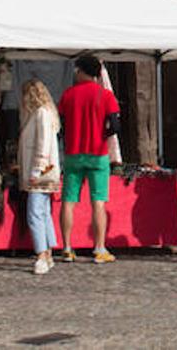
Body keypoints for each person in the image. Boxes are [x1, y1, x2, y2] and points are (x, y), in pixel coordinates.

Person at [57, 55, 121, 264]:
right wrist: (102, 135)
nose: (75, 73)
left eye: (77, 70)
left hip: (73, 154)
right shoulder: (106, 95)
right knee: (98, 202)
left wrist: (69, 135)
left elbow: (60, 126)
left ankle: (66, 248)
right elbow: (116, 126)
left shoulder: (68, 95)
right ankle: (99, 248)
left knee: (68, 201)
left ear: (84, 71)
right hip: (98, 155)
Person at [18, 77, 61, 275]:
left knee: (34, 214)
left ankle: (42, 254)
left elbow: (42, 144)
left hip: (40, 172)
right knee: (43, 213)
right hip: (44, 172)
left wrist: (37, 169)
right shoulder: (45, 112)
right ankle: (48, 252)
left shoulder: (41, 114)